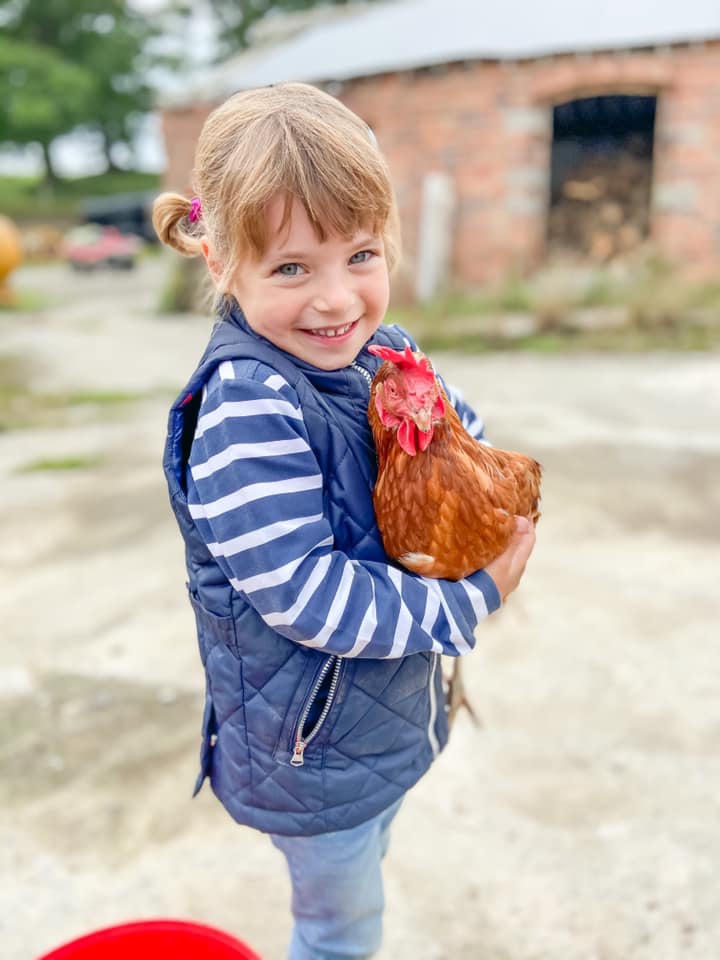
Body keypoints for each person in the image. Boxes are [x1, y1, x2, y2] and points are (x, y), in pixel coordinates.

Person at [153, 82, 535, 960]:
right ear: (221, 264)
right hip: (309, 752)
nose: (336, 301)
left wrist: (465, 473)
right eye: (291, 268)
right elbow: (307, 594)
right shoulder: (247, 407)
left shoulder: (380, 349)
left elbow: (458, 428)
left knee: (373, 852)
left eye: (360, 255)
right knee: (339, 930)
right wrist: (469, 601)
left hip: (368, 719)